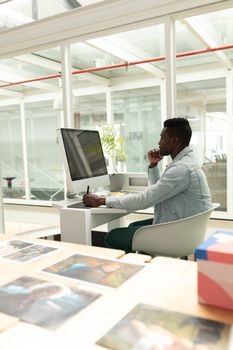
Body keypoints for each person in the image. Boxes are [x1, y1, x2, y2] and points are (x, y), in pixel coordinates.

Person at [83, 118, 211, 253]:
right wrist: (154, 165)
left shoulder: (181, 169)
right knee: (133, 226)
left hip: (178, 233)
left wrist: (102, 200)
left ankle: (131, 268)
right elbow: (159, 193)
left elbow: (147, 199)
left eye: (162, 138)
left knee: (113, 236)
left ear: (173, 141)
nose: (158, 142)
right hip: (184, 226)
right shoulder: (187, 162)